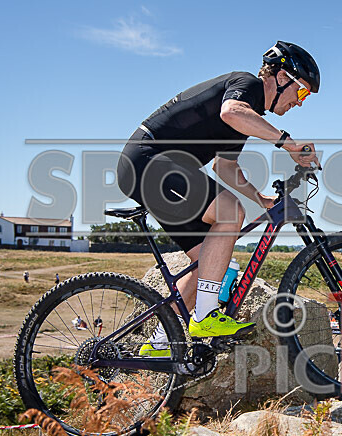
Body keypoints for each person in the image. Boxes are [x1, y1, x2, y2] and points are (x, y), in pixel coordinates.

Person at [116, 41, 320, 357]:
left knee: (206, 264)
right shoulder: (246, 86)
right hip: (149, 159)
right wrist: (287, 143)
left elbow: (224, 167)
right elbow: (231, 111)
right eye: (302, 92)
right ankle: (206, 316)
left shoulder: (246, 116)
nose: (301, 103)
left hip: (156, 168)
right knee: (229, 211)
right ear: (280, 77)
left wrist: (260, 197)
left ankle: (156, 346)